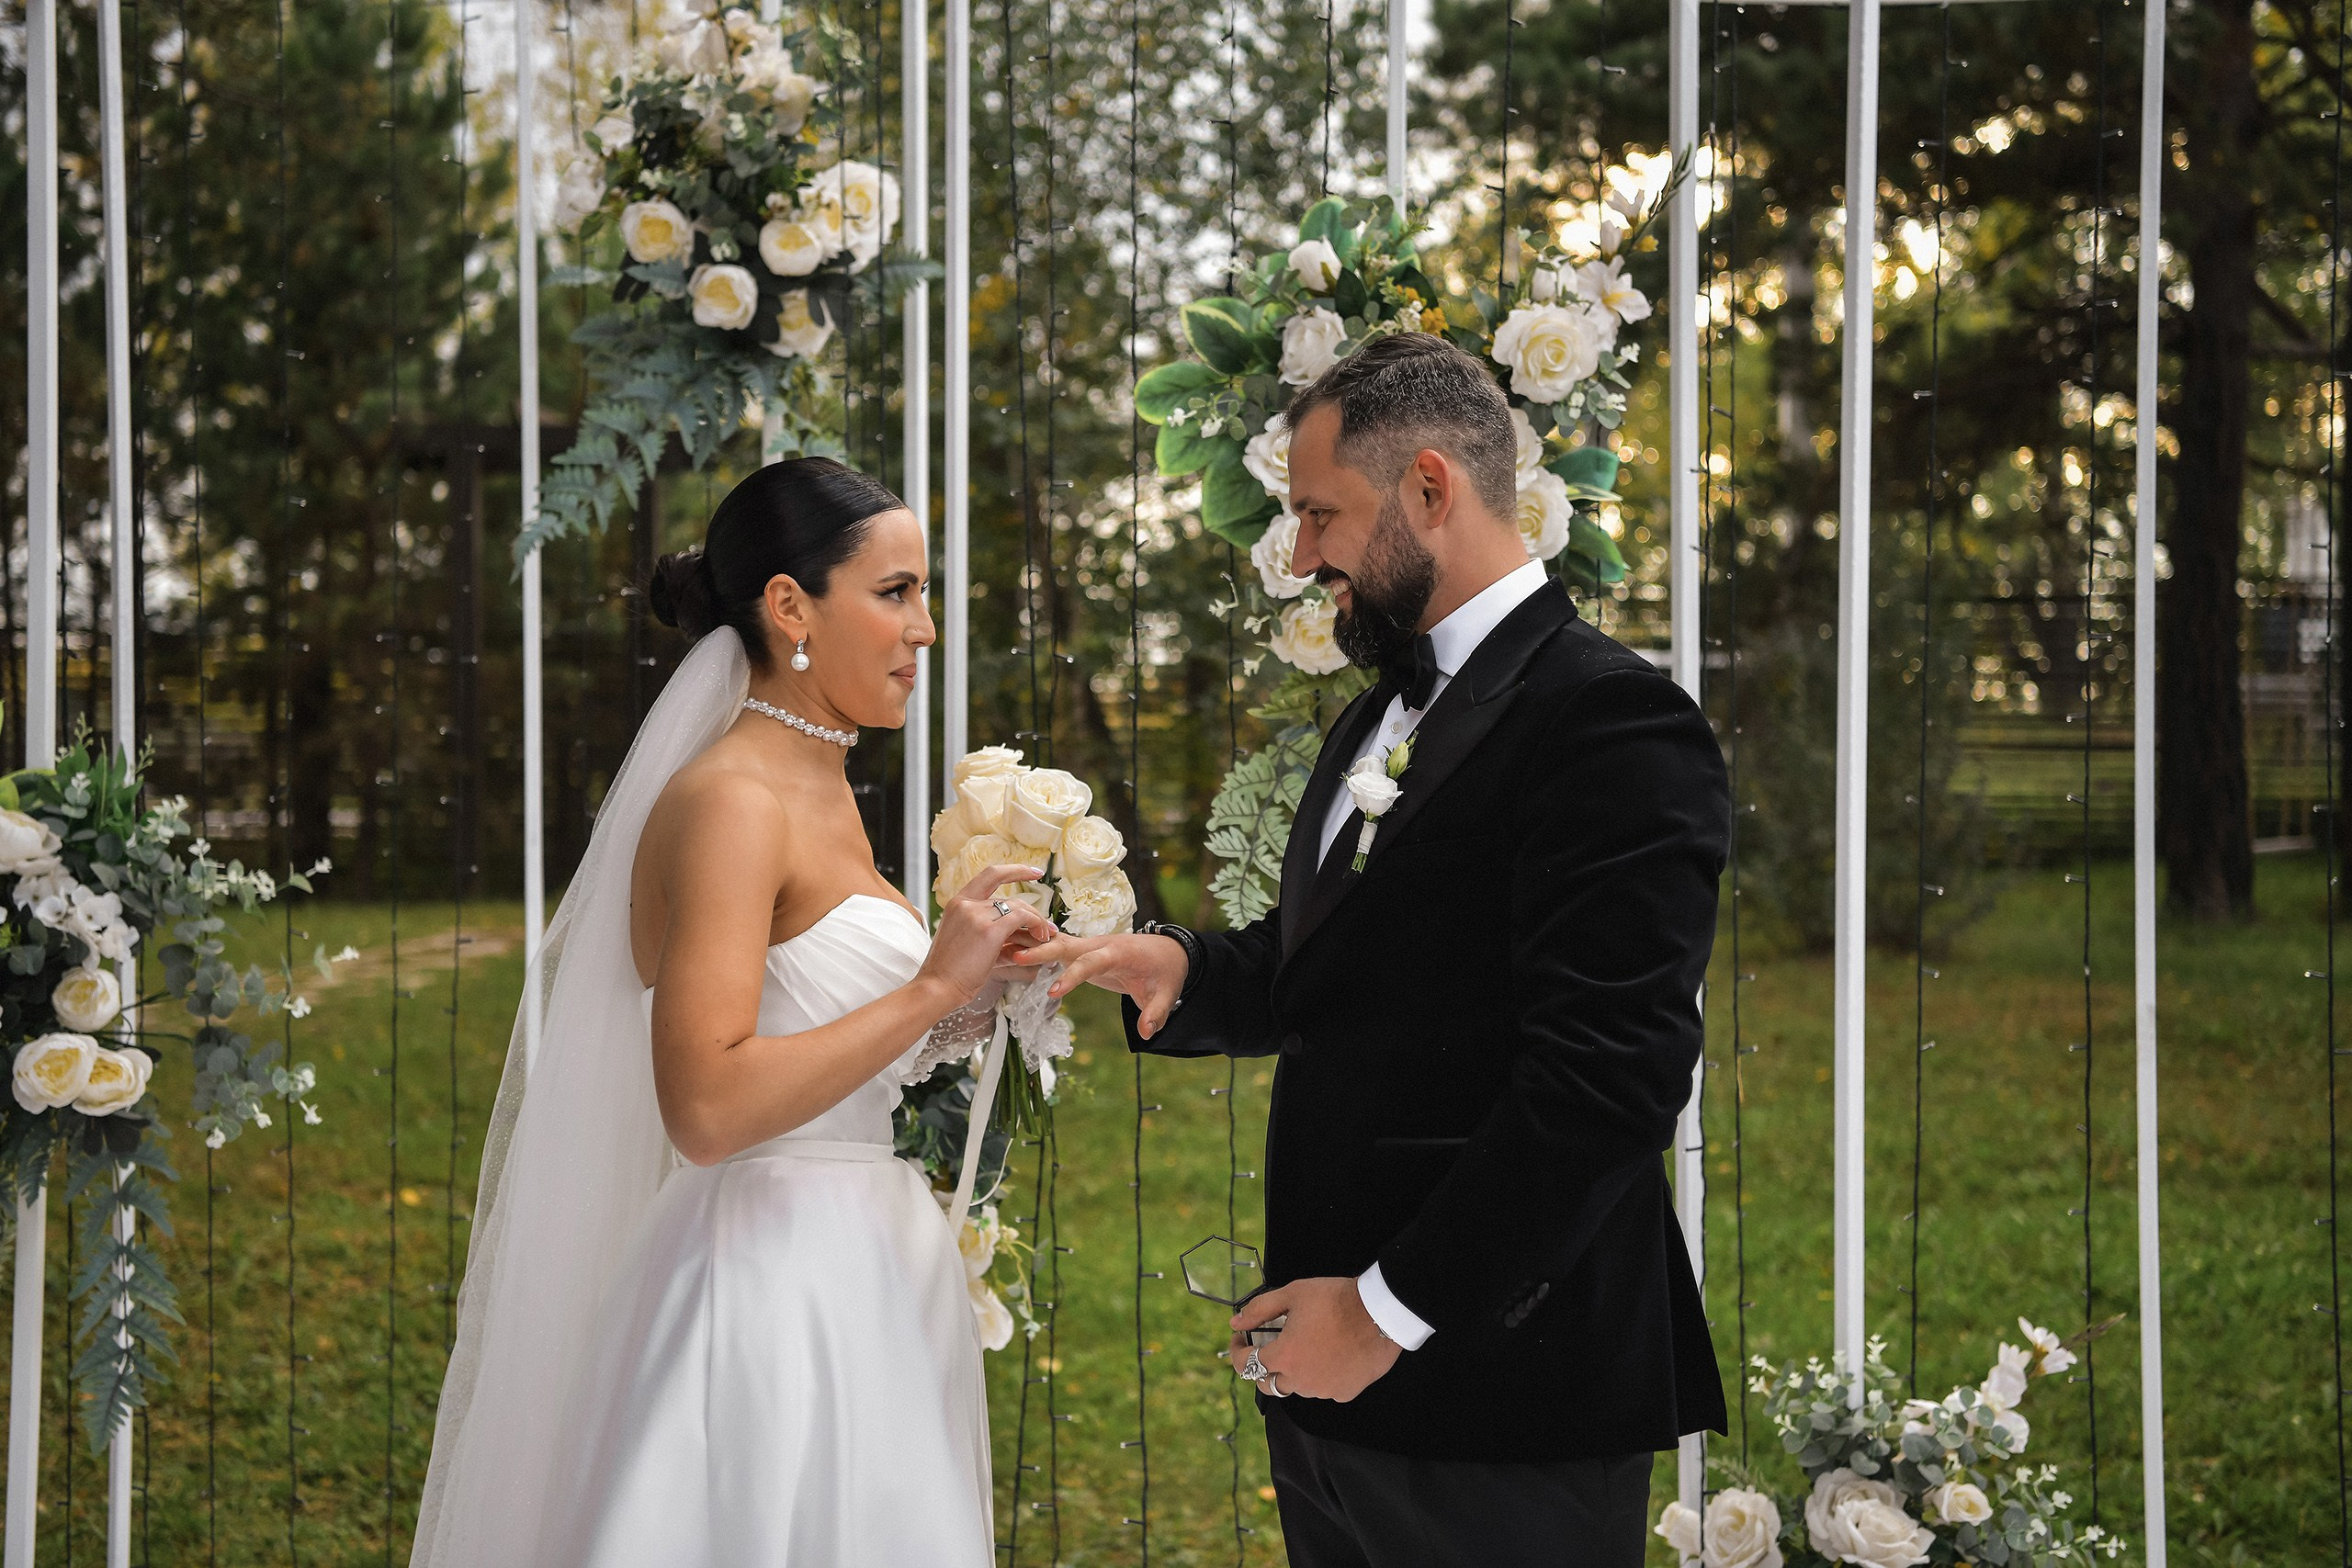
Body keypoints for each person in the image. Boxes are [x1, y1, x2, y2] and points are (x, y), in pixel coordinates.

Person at [1022, 333, 1732, 1567]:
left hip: (1502, 1387)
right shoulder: (1383, 704)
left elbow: (1609, 1078)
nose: (1300, 557)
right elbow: (1363, 966)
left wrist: (1391, 1309)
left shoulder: (1611, 720)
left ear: (1429, 488)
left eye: (1318, 515)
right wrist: (1183, 970)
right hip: (1336, 1376)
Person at [411, 457, 1051, 1567]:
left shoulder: (818, 783)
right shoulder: (730, 801)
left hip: (864, 1274)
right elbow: (704, 1105)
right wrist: (928, 990)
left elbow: (842, 1045)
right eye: (895, 593)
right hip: (772, 1292)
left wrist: (975, 995)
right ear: (791, 606)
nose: (927, 629)